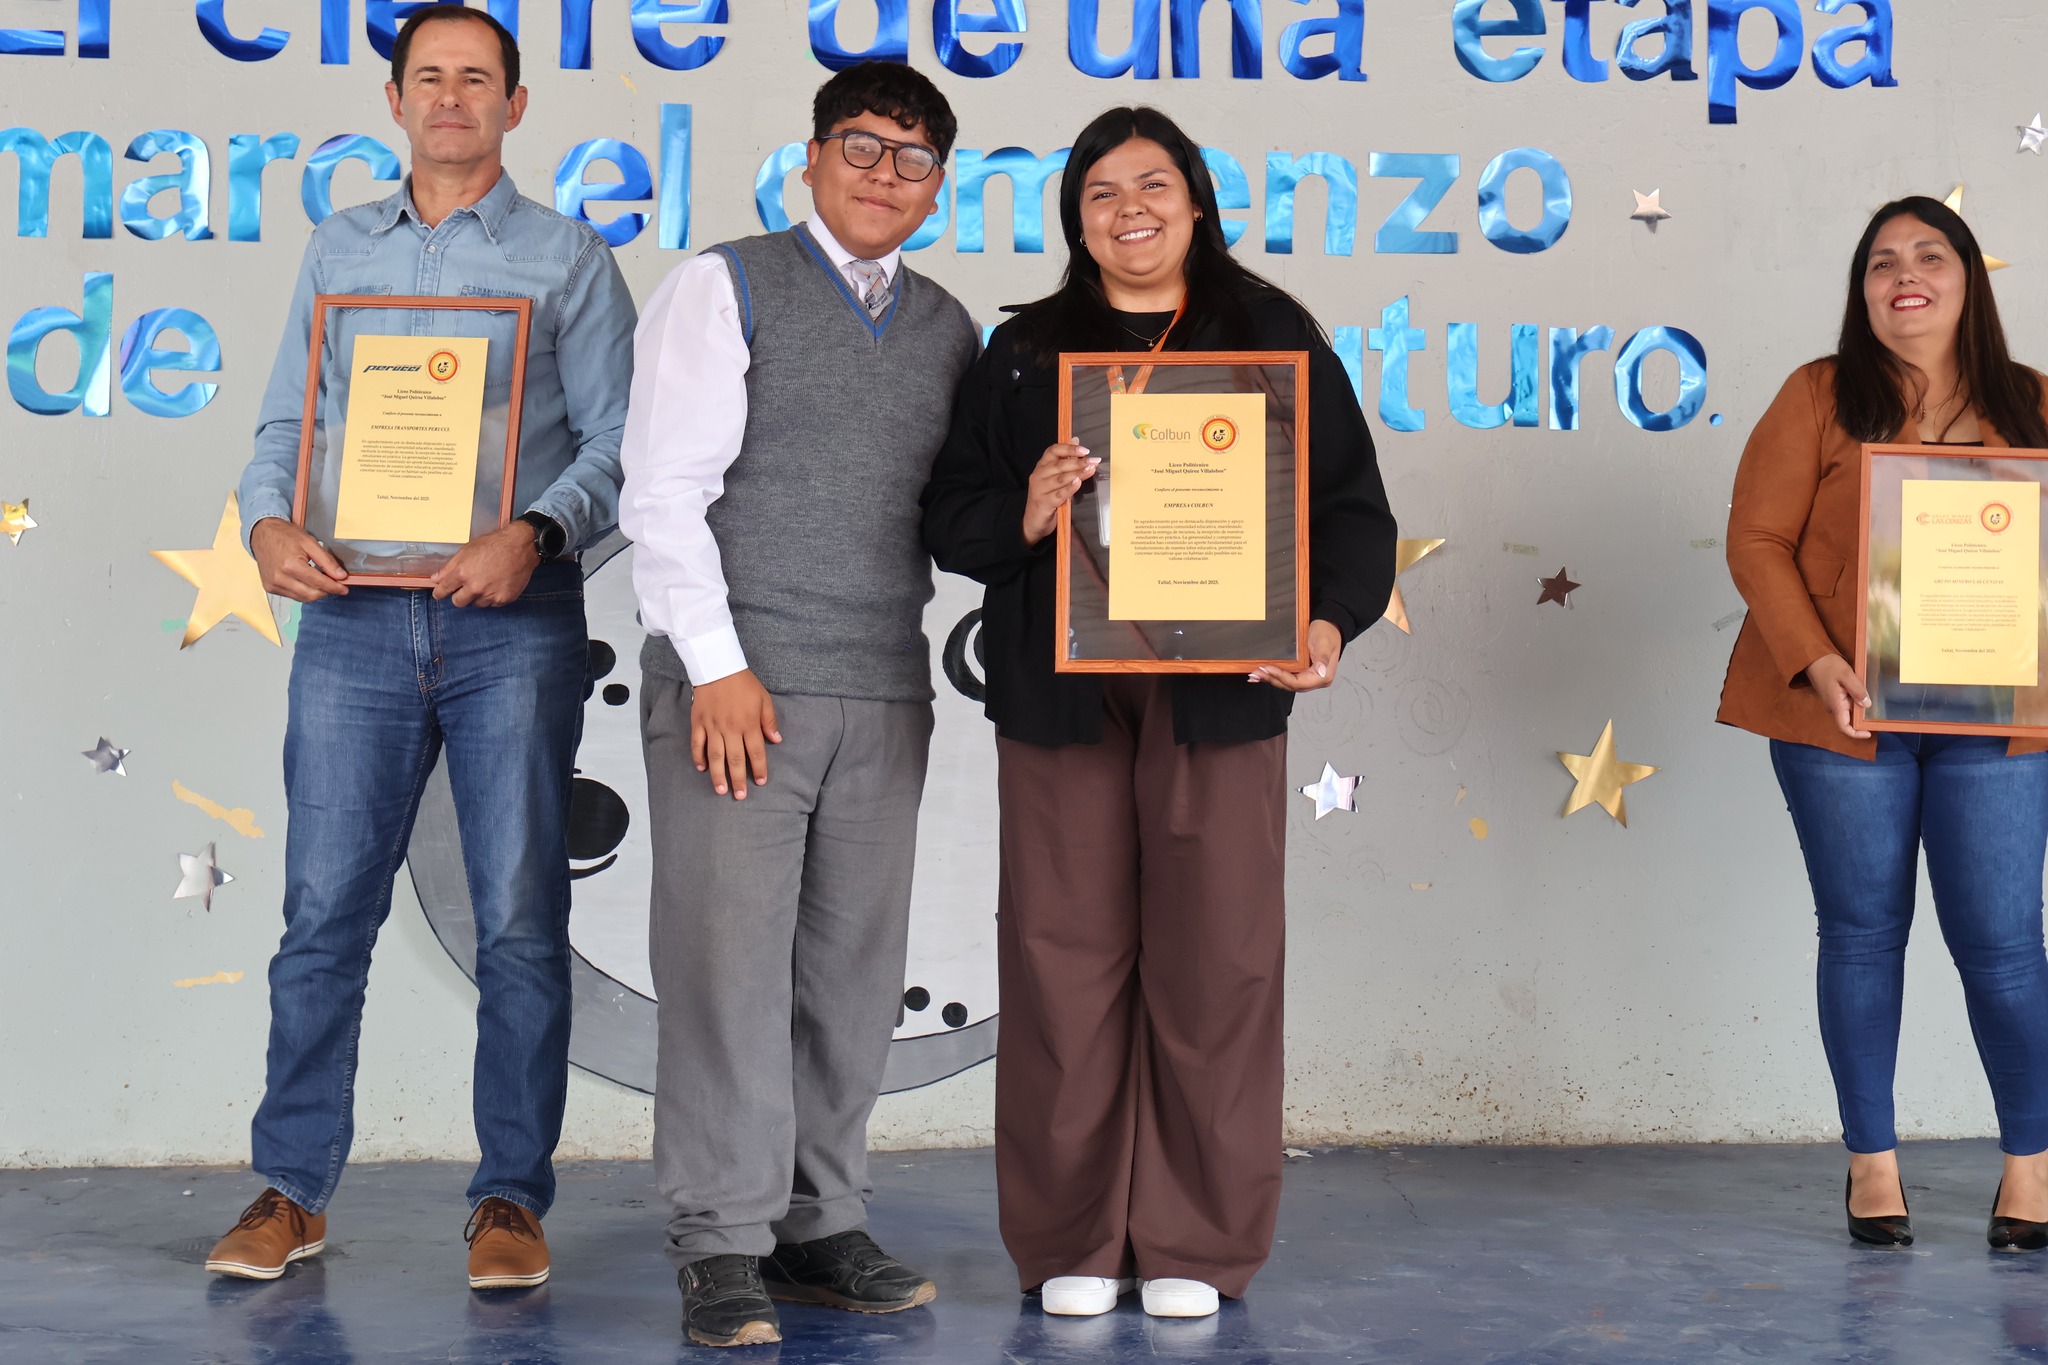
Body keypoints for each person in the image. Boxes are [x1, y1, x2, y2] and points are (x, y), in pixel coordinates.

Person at [920, 106, 1397, 1318]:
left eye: (1152, 185)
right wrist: (1025, 510)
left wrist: (1328, 624)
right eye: (1098, 194)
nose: (1127, 210)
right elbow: (948, 518)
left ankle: (1193, 1242)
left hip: (1223, 700)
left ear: (1194, 201)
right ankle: (1071, 1239)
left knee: (1217, 967)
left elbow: (1350, 513)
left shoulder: (1268, 331)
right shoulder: (1027, 351)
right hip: (1059, 699)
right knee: (1059, 969)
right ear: (1072, 219)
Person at [206, 6, 635, 1291]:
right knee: (320, 913)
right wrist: (267, 519)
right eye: (429, 78)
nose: (452, 98)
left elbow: (619, 452)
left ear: (516, 104)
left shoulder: (569, 260)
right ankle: (290, 1190)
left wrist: (537, 534)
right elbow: (287, 416)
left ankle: (509, 1197)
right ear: (394, 100)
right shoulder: (337, 248)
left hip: (512, 625)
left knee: (516, 916)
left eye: (477, 79)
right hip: (349, 617)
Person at [618, 61, 977, 1348]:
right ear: (812, 157)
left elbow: (956, 512)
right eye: (863, 147)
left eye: (913, 158)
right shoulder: (725, 285)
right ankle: (719, 1238)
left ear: (939, 185)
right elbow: (661, 490)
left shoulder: (946, 327)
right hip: (739, 689)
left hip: (884, 684)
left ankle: (819, 1225)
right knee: (724, 969)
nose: (885, 174)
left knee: (849, 975)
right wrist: (714, 665)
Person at [1720, 195, 2048, 1250]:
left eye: (1927, 255)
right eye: (1877, 262)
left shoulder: (2035, 403)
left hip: (1994, 723)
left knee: (2002, 948)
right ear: (1860, 292)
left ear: (1966, 280)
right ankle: (1872, 1166)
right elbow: (1755, 541)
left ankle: (2028, 1170)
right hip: (1838, 716)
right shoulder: (1817, 395)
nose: (1901, 274)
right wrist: (1815, 663)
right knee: (1860, 936)